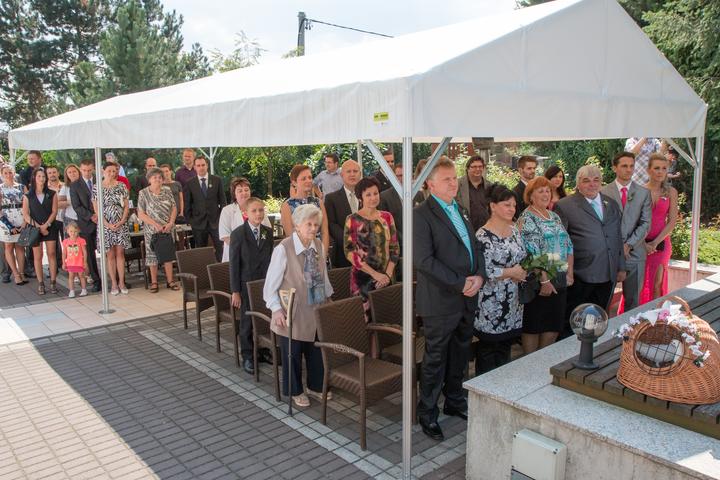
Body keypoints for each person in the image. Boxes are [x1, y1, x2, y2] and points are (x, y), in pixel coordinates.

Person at [414, 157, 485, 441]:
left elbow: (475, 246)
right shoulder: (421, 214)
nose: (454, 183)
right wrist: (460, 283)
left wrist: (479, 276)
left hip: (467, 297)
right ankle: (427, 412)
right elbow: (423, 261)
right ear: (430, 184)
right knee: (436, 358)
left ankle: (454, 400)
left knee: (460, 353)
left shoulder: (460, 209)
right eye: (447, 179)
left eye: (455, 178)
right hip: (441, 301)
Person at [263, 204, 334, 408]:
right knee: (292, 353)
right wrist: (276, 309)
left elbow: (323, 276)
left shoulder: (318, 244)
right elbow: (270, 285)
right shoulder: (284, 248)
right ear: (297, 225)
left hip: (315, 307)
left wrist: (329, 298)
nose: (313, 228)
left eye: (316, 225)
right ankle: (295, 390)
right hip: (291, 310)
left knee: (315, 350)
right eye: (308, 224)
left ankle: (315, 386)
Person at [555, 165, 625, 336]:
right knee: (574, 319)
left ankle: (594, 346)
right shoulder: (564, 205)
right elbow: (560, 242)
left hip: (608, 272)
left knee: (599, 317)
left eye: (596, 180)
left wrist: (621, 266)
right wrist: (565, 272)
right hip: (580, 274)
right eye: (586, 181)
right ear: (578, 183)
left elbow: (617, 236)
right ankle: (569, 350)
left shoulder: (611, 203)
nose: (592, 184)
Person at [518, 177, 574, 354]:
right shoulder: (527, 218)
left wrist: (570, 273)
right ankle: (530, 362)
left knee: (553, 324)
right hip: (538, 278)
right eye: (540, 191)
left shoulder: (554, 216)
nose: (545, 194)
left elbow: (568, 245)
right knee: (534, 324)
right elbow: (532, 252)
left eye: (548, 191)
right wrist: (544, 280)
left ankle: (542, 360)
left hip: (560, 275)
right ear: (530, 196)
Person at [475, 185, 526, 373]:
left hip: (513, 302)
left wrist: (523, 271)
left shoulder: (515, 230)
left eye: (514, 205)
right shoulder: (483, 236)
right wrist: (510, 272)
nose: (512, 209)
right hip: (491, 303)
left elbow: (522, 257)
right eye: (507, 205)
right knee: (488, 351)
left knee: (505, 348)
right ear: (493, 206)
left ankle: (502, 384)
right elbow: (483, 271)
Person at [601, 152, 652, 312]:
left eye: (631, 166)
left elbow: (645, 223)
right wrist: (616, 247)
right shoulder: (603, 192)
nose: (629, 169)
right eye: (624, 166)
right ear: (614, 168)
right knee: (604, 300)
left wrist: (629, 245)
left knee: (633, 302)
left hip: (635, 254)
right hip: (609, 255)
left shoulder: (643, 193)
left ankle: (630, 329)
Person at [344, 176, 400, 319]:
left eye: (375, 193)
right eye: (368, 194)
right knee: (365, 322)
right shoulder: (352, 219)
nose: (373, 197)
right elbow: (350, 252)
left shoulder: (387, 217)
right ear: (360, 197)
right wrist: (375, 275)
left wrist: (387, 275)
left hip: (387, 278)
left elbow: (394, 248)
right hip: (363, 280)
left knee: (388, 319)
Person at [230, 197, 274, 374]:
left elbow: (271, 259)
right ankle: (248, 355)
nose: (258, 214)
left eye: (261, 210)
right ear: (245, 213)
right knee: (247, 321)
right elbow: (234, 264)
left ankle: (262, 350)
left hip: (264, 283)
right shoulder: (238, 234)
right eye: (254, 211)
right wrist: (235, 291)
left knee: (263, 317)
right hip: (246, 284)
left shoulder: (267, 232)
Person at [640, 153, 678, 304]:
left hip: (661, 244)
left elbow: (672, 221)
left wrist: (655, 243)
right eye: (656, 168)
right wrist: (642, 243)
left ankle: (655, 316)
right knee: (638, 286)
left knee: (657, 284)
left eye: (664, 168)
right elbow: (633, 221)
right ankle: (636, 317)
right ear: (648, 170)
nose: (660, 172)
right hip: (640, 244)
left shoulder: (671, 192)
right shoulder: (639, 191)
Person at [137, 167, 180, 293]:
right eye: (154, 177)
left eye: (160, 177)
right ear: (149, 179)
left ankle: (170, 281)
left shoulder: (167, 190)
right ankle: (154, 282)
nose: (157, 179)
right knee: (152, 256)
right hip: (151, 230)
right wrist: (155, 225)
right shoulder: (143, 193)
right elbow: (141, 214)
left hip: (167, 229)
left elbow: (174, 208)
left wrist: (171, 223)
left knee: (168, 255)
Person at [93, 162, 130, 295]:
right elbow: (96, 208)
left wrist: (122, 220)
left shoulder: (121, 185)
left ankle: (122, 282)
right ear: (103, 171)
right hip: (105, 225)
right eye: (109, 171)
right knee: (110, 255)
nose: (112, 173)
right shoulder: (97, 187)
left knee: (120, 253)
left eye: (114, 171)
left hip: (121, 224)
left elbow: (126, 205)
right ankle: (113, 283)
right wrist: (106, 224)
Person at [22, 168, 59, 295]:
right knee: (38, 256)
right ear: (34, 178)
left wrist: (46, 225)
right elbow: (26, 214)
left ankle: (53, 282)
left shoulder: (52, 193)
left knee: (52, 253)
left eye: (43, 176)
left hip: (50, 227)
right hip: (34, 228)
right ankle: (41, 283)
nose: (42, 179)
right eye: (39, 176)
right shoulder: (28, 195)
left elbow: (54, 211)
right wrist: (38, 227)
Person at [183, 155, 227, 261]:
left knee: (221, 250)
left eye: (203, 165)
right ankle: (203, 271)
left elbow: (223, 201)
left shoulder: (217, 180)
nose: (201, 167)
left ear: (207, 165)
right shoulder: (190, 183)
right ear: (194, 167)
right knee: (201, 252)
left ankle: (222, 269)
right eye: (198, 165)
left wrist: (222, 219)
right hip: (198, 223)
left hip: (216, 222)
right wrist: (191, 221)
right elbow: (187, 204)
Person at [218, 177, 271, 263]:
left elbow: (266, 230)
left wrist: (260, 244)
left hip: (259, 255)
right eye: (240, 191)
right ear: (234, 194)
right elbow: (225, 236)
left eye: (246, 190)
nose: (244, 193)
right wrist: (246, 249)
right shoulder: (227, 211)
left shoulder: (258, 208)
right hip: (236, 256)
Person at [280, 165, 330, 255]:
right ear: (294, 182)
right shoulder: (287, 206)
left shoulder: (318, 202)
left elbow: (325, 232)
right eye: (304, 179)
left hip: (319, 253)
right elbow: (290, 236)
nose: (308, 181)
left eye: (310, 177)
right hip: (299, 255)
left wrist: (323, 255)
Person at [70, 159, 102, 291]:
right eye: (84, 170)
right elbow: (76, 206)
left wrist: (99, 215)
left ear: (93, 169)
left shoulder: (100, 181)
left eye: (89, 170)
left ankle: (115, 278)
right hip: (86, 223)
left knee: (108, 251)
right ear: (80, 169)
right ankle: (96, 280)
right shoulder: (75, 185)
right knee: (89, 254)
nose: (87, 173)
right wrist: (91, 216)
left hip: (103, 221)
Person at [324, 160, 361, 268]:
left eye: (355, 171)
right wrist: (350, 241)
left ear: (360, 174)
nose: (352, 174)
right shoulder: (331, 199)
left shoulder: (368, 196)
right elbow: (331, 224)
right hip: (343, 254)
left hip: (368, 254)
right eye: (348, 171)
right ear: (342, 175)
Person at [0, 164, 28, 285]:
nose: (8, 175)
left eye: (10, 172)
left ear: (14, 172)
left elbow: (28, 205)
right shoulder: (0, 188)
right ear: (2, 174)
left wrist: (25, 221)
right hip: (6, 220)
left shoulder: (22, 187)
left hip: (21, 219)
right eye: (5, 173)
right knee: (9, 247)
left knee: (20, 247)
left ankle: (21, 273)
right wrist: (8, 225)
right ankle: (15, 274)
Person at [456, 155, 491, 232]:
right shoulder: (457, 185)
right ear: (468, 168)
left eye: (480, 166)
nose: (477, 169)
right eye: (474, 167)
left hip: (485, 230)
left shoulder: (489, 186)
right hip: (465, 229)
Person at [61, 221, 88, 298]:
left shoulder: (81, 240)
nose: (73, 233)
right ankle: (72, 291)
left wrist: (85, 262)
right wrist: (64, 263)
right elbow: (64, 253)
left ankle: (84, 290)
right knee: (71, 276)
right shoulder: (65, 241)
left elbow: (84, 252)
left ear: (78, 231)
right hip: (70, 263)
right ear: (67, 231)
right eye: (71, 231)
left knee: (81, 276)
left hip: (79, 262)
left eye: (75, 231)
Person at [59, 164, 81, 236]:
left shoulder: (85, 184)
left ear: (78, 172)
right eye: (69, 172)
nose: (72, 174)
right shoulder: (65, 187)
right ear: (67, 175)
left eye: (74, 171)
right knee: (70, 242)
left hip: (84, 218)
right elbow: (58, 204)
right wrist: (71, 201)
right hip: (70, 218)